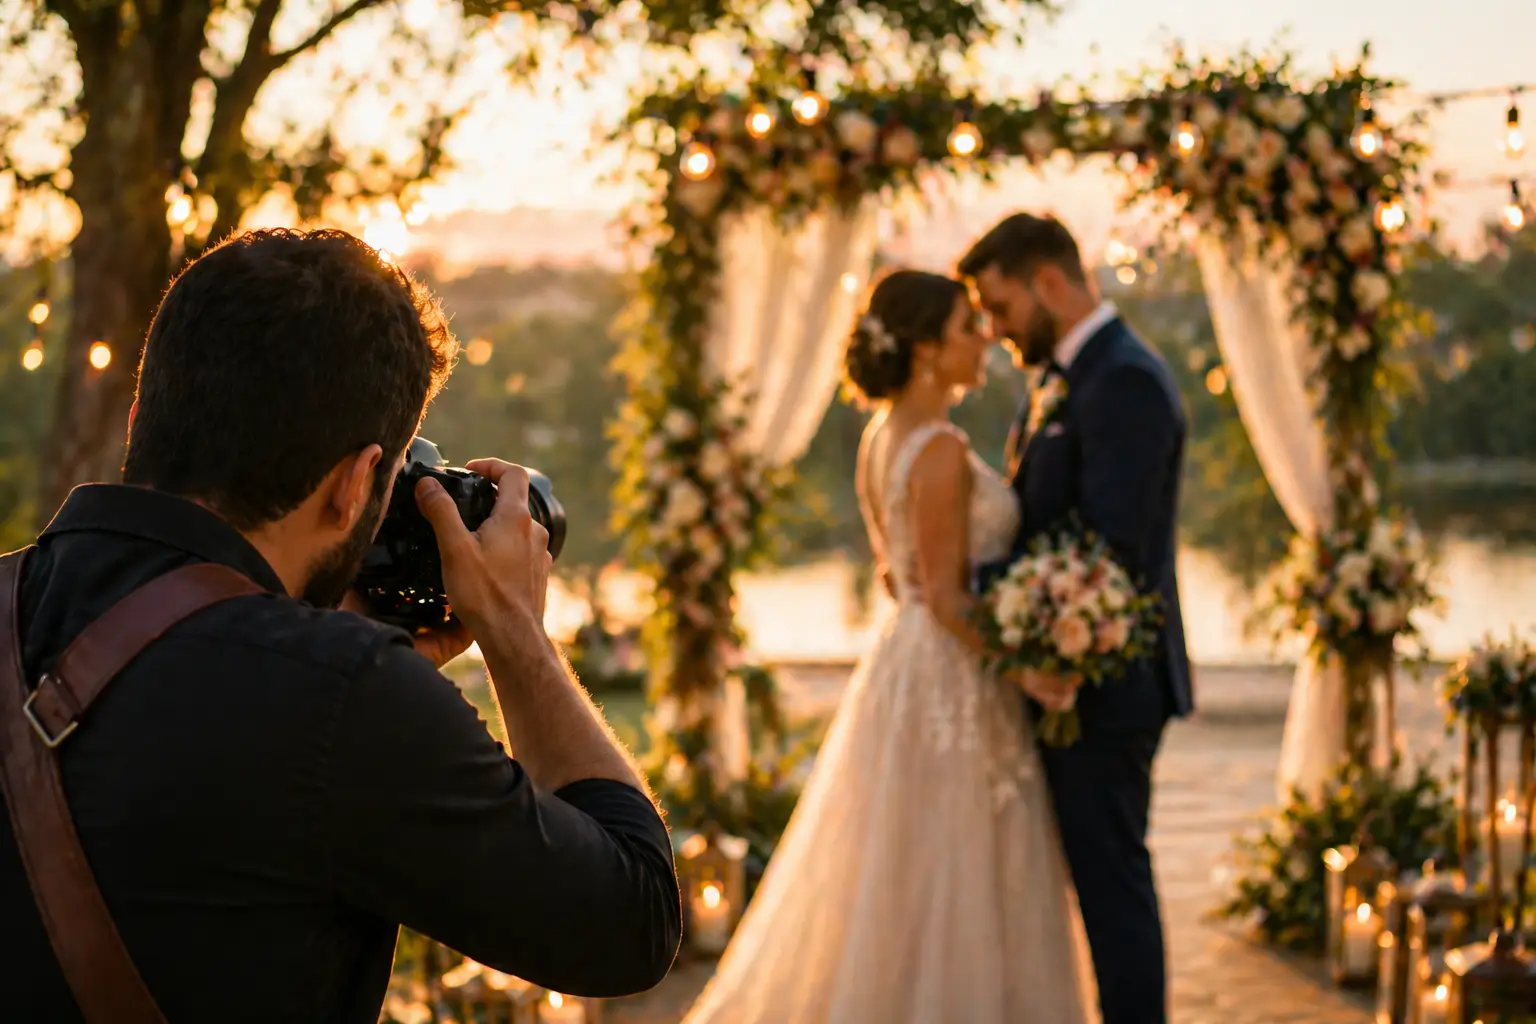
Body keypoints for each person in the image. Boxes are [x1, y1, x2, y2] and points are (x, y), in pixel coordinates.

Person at [1, 229, 680, 1021]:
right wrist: (513, 628)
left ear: (143, 415)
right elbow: (632, 921)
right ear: (357, 485)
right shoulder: (341, 692)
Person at [681, 269, 1095, 1024]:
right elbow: (942, 596)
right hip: (948, 674)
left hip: (905, 663)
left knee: (899, 866)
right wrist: (1029, 672)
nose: (985, 340)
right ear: (928, 349)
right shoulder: (937, 446)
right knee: (955, 867)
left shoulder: (883, 435)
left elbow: (893, 574)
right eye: (969, 327)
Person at [961, 212, 1193, 1024]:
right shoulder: (1067, 374)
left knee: (1113, 890)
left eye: (1000, 308)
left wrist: (966, 585)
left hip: (1106, 680)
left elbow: (1109, 547)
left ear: (1048, 283)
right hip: (1070, 672)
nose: (993, 330)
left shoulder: (1122, 378)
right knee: (1095, 885)